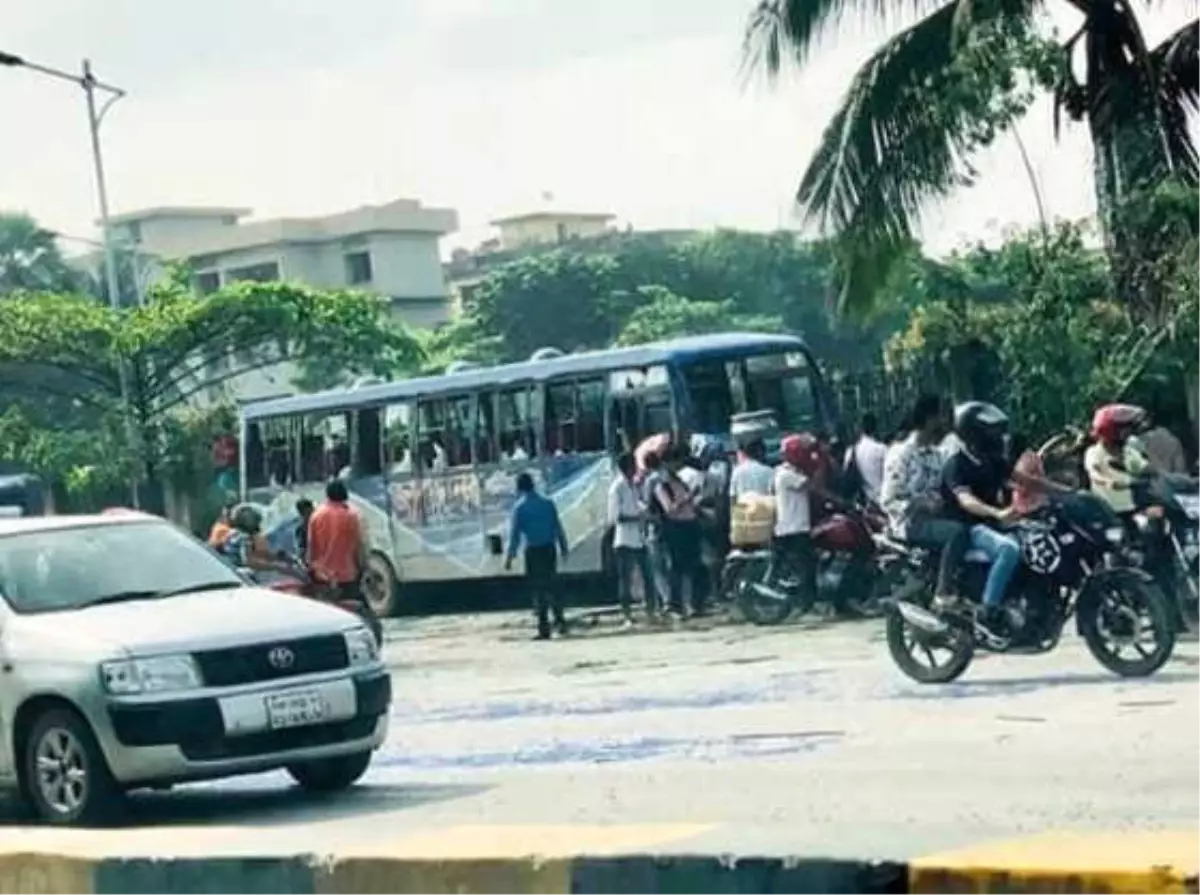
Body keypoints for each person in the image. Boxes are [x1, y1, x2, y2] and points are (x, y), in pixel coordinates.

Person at [941, 401, 1022, 639]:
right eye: (992, 432)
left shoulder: (991, 460)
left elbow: (1023, 479)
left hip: (992, 525)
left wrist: (1064, 493)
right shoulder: (956, 464)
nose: (998, 437)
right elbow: (966, 501)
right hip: (971, 527)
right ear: (974, 434)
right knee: (1009, 550)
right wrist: (997, 513)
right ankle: (988, 611)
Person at [881, 395, 970, 609]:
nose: (944, 422)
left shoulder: (936, 455)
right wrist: (921, 504)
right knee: (957, 533)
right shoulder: (901, 454)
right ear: (928, 419)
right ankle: (943, 591)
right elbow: (888, 500)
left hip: (935, 519)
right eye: (939, 416)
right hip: (909, 523)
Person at [505, 472, 570, 640]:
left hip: (533, 551)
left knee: (538, 590)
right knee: (552, 586)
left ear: (519, 488)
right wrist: (563, 547)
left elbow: (515, 536)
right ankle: (560, 621)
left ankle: (544, 628)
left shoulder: (520, 508)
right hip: (549, 549)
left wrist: (510, 557)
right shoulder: (548, 504)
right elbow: (557, 527)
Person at [766, 434, 820, 610]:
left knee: (804, 565)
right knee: (806, 567)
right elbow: (813, 487)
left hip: (793, 528)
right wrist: (820, 462)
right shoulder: (787, 474)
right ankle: (804, 604)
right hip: (793, 529)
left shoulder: (790, 472)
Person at [653, 444, 708, 618]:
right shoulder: (662, 485)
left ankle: (696, 603)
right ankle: (675, 605)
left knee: (695, 566)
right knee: (677, 567)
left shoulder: (680, 482)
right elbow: (669, 509)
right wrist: (687, 499)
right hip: (675, 528)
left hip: (690, 525)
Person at [608, 453, 657, 624]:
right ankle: (627, 615)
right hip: (624, 540)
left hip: (639, 538)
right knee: (625, 580)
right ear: (626, 467)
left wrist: (645, 513)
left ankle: (651, 611)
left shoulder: (635, 486)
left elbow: (640, 505)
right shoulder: (617, 488)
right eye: (633, 465)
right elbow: (615, 517)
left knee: (648, 577)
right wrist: (637, 518)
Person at [307, 480, 369, 605]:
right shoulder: (352, 516)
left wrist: (312, 569)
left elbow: (311, 547)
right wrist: (363, 567)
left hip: (323, 576)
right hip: (347, 575)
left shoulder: (316, 516)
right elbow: (359, 545)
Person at [1085, 404, 1151, 518]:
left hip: (1131, 509)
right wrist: (1107, 481)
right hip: (1107, 512)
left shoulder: (1128, 451)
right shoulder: (1094, 452)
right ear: (1111, 431)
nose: (1129, 433)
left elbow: (1147, 468)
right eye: (1125, 429)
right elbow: (1094, 473)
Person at [844, 413, 888, 503]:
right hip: (881, 499)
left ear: (861, 429)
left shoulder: (851, 451)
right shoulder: (882, 449)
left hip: (862, 502)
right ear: (875, 428)